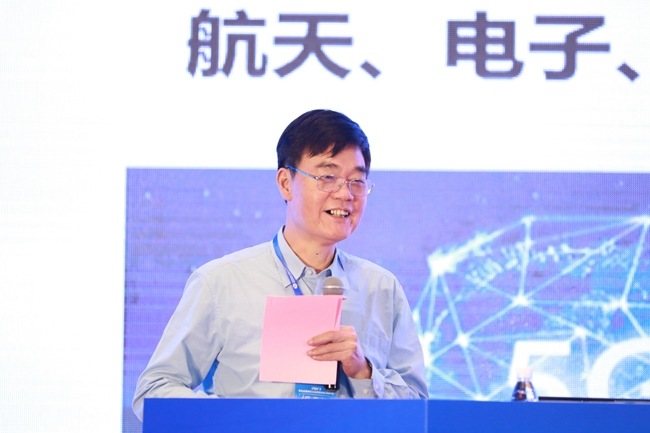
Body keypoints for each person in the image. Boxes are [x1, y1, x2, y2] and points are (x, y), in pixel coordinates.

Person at [132, 109, 428, 420]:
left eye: (356, 180)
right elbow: (154, 391)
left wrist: (364, 372)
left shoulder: (382, 288)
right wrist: (235, 418)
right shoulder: (221, 282)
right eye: (327, 177)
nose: (345, 193)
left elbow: (420, 411)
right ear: (286, 183)